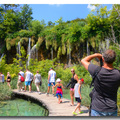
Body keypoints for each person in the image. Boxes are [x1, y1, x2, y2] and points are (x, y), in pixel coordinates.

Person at [81, 49, 120, 116]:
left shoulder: (96, 70)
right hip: (112, 109)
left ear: (103, 59)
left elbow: (83, 60)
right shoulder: (118, 74)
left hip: (97, 108)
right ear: (114, 60)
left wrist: (96, 55)